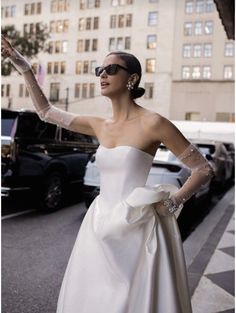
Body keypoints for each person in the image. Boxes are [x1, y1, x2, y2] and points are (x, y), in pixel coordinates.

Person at [2, 35, 214, 313]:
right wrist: (23, 66)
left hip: (138, 227)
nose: (103, 75)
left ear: (132, 79)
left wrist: (173, 202)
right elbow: (45, 111)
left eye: (111, 69)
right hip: (99, 224)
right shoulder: (99, 125)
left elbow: (203, 169)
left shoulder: (154, 123)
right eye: (100, 70)